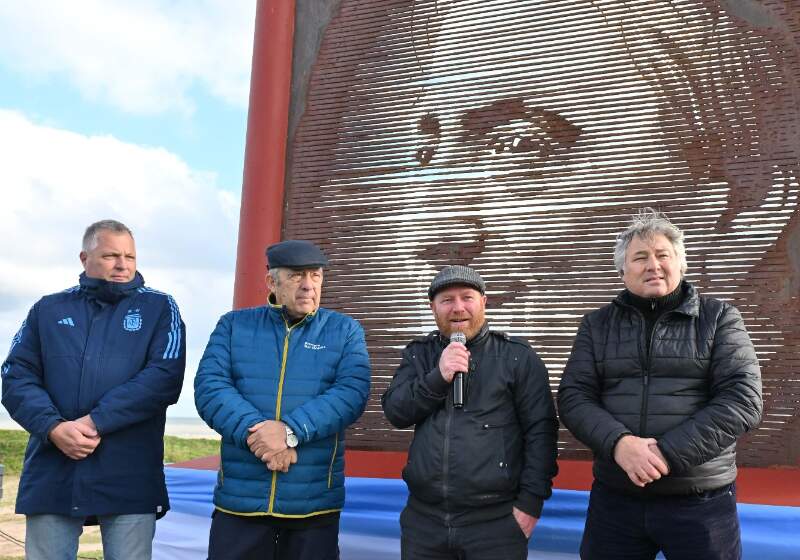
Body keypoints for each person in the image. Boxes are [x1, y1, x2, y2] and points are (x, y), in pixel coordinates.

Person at [557, 208, 763, 560]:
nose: (653, 265)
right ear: (622, 271)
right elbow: (574, 397)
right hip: (616, 498)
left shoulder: (719, 319)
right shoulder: (596, 325)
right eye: (640, 257)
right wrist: (620, 444)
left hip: (701, 501)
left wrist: (663, 455)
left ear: (681, 264)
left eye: (662, 255)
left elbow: (742, 400)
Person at [1, 219, 186, 560]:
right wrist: (53, 428)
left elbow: (163, 378)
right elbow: (15, 375)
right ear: (85, 258)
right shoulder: (48, 309)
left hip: (129, 470)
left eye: (130, 256)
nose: (122, 265)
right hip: (53, 467)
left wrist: (94, 422)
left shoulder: (160, 308)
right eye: (111, 255)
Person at [194, 239, 371, 560]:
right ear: (271, 282)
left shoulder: (345, 330)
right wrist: (261, 437)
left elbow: (351, 393)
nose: (308, 286)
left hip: (313, 503)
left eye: (315, 276)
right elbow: (210, 388)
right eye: (296, 276)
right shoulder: (233, 325)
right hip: (241, 502)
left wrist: (290, 431)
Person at [382, 264, 559, 560]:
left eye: (467, 297)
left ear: (484, 302)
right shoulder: (419, 354)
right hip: (424, 520)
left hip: (495, 523)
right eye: (447, 300)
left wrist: (530, 505)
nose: (458, 308)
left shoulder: (517, 357)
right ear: (433, 308)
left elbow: (541, 432)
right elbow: (396, 411)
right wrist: (438, 376)